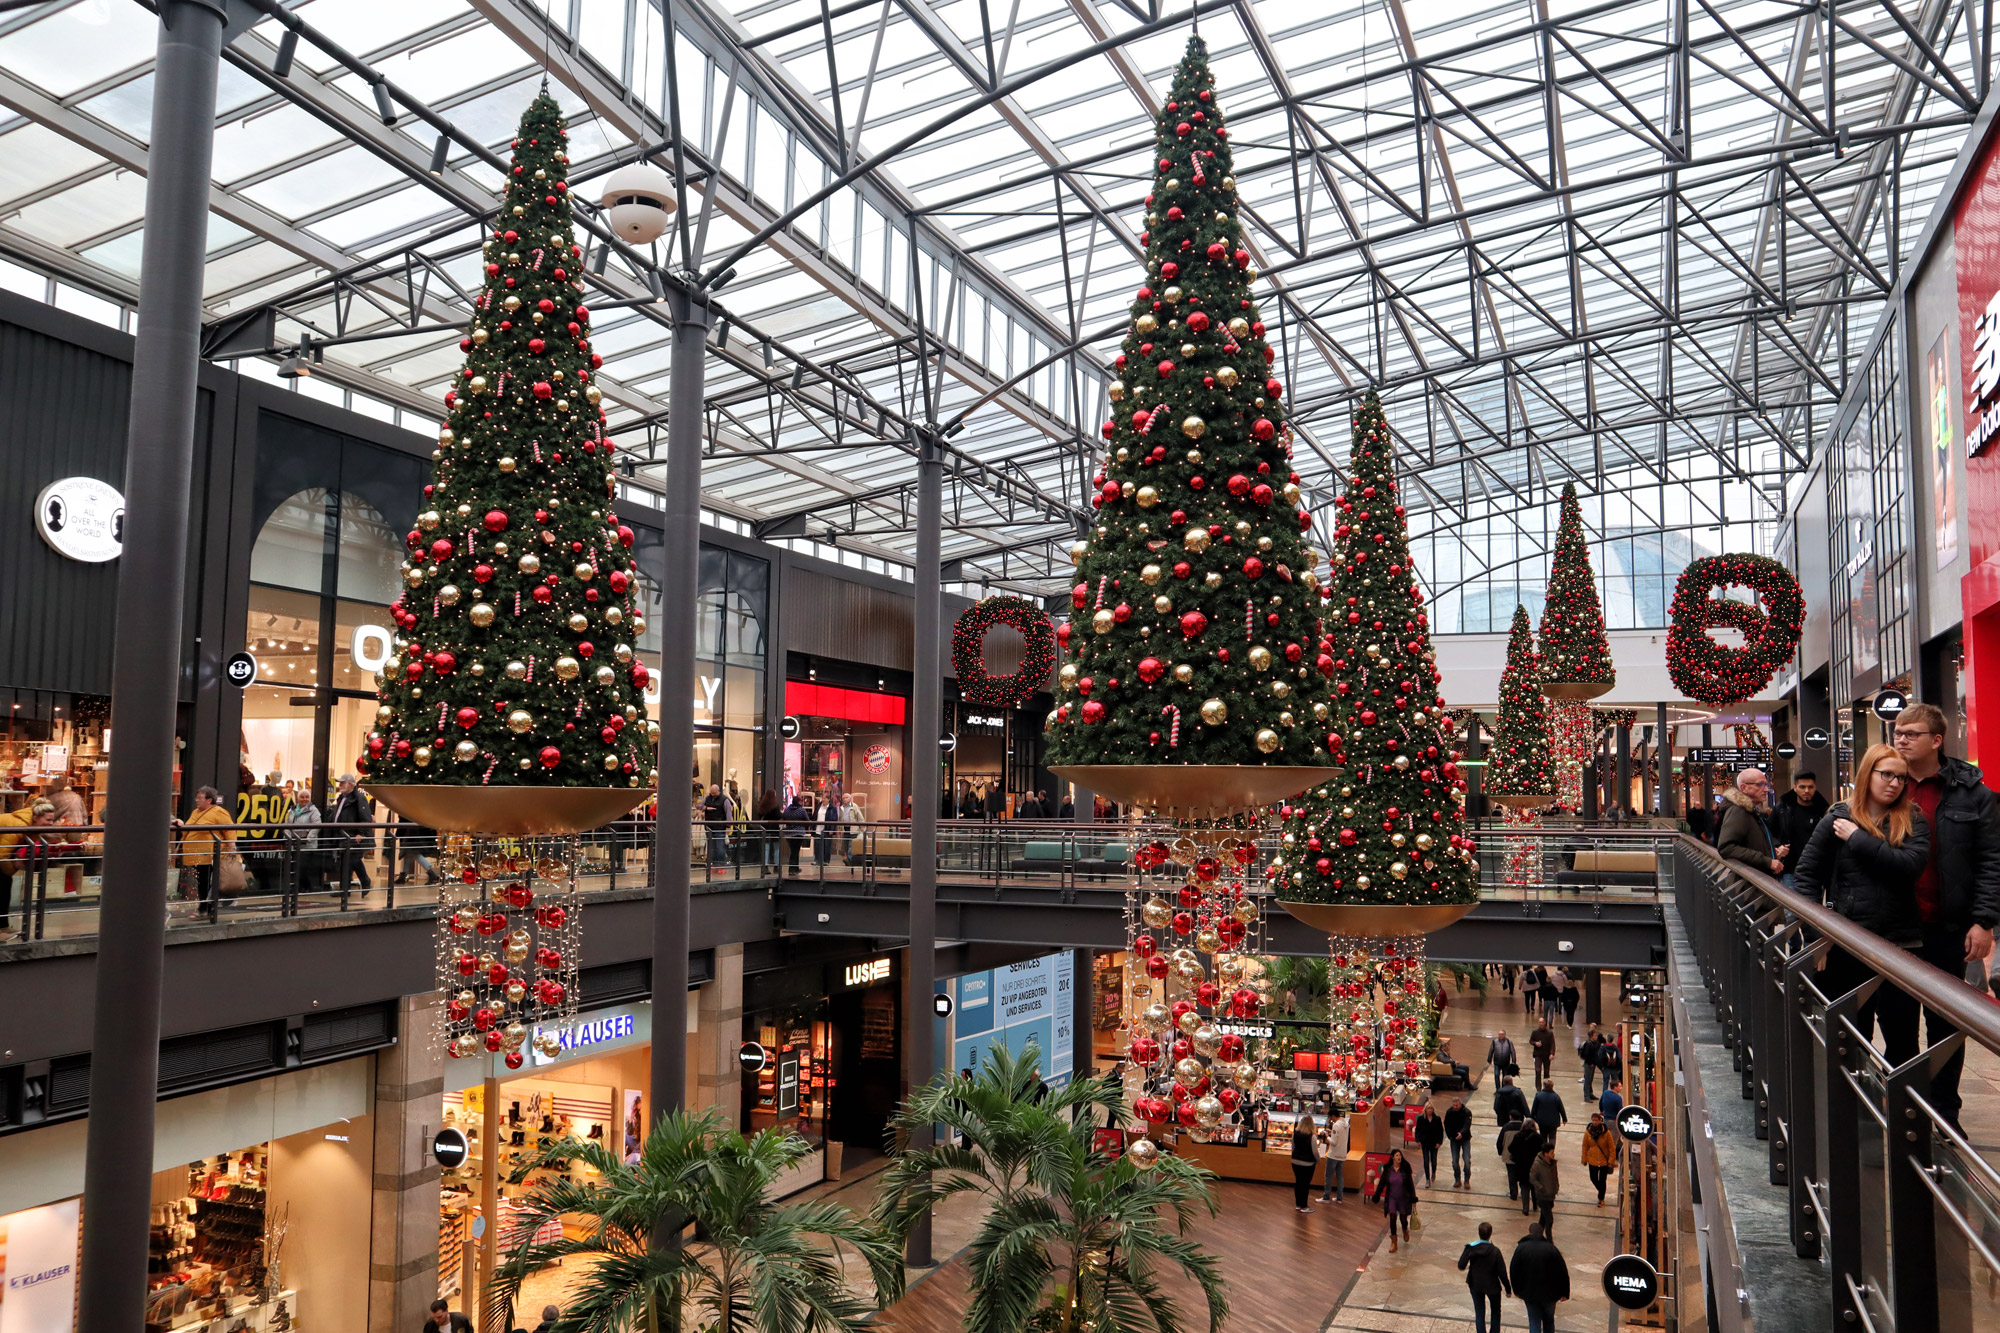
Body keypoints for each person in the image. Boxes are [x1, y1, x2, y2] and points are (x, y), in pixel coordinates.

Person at [1890, 703, 2000, 1133]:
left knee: (1946, 1023)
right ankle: (1906, 1105)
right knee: (1896, 1022)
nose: (1901, 739)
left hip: (1949, 927)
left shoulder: (1974, 794)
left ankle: (1945, 1112)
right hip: (1894, 928)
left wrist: (1984, 921)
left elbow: (1991, 861)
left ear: (1936, 740)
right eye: (1898, 731)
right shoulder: (1886, 784)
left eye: (1911, 733)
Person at [1795, 741, 1932, 1068]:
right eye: (1887, 775)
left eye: (1901, 778)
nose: (1895, 784)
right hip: (1849, 941)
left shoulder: (1912, 818)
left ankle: (1898, 1114)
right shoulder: (1837, 818)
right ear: (1866, 774)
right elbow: (1806, 877)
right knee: (1850, 1035)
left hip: (1901, 943)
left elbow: (1910, 867)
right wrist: (1816, 937)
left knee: (1902, 1039)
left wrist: (1859, 839)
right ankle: (1853, 1112)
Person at [174, 786, 235, 916]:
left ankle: (205, 909)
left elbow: (229, 829)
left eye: (200, 798)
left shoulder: (219, 812)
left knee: (206, 882)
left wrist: (231, 846)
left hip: (209, 855)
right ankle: (205, 908)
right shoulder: (196, 812)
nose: (196, 800)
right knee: (202, 881)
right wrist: (181, 824)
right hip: (197, 854)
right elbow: (190, 828)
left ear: (209, 800)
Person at [1717, 768, 1786, 877]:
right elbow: (1727, 847)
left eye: (1766, 785)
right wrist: (1767, 861)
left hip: (1757, 879)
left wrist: (1771, 850)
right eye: (1760, 785)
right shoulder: (1738, 810)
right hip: (1750, 882)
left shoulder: (1751, 811)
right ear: (1744, 788)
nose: (1766, 789)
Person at [1508, 1222, 1570, 1333]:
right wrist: (1565, 1292)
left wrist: (1516, 1290)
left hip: (1529, 1293)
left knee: (1534, 1321)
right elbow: (1562, 1272)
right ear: (1542, 1233)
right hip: (1550, 1294)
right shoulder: (1551, 1249)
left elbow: (1514, 1270)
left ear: (1529, 1232)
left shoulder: (1521, 1248)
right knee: (1549, 1321)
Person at [1775, 770, 1830, 888]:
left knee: (1813, 905)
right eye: (1802, 787)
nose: (1806, 791)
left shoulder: (1824, 811)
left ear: (1815, 787)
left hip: (1816, 869)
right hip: (1790, 868)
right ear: (1795, 788)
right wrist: (1778, 846)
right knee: (1790, 905)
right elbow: (1769, 831)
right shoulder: (1783, 809)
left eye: (1810, 787)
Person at [1458, 1220, 1512, 1333]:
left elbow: (1461, 1265)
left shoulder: (1471, 1248)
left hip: (1475, 1284)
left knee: (1479, 1311)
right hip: (1492, 1286)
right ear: (1490, 1234)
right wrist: (1508, 1289)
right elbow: (1502, 1272)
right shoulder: (1495, 1251)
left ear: (1479, 1233)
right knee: (1496, 1311)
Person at [328, 775, 375, 893]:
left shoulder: (358, 798)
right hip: (343, 834)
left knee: (353, 860)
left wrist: (361, 833)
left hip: (353, 835)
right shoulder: (341, 798)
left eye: (342, 783)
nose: (340, 785)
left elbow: (365, 817)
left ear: (350, 784)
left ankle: (364, 881)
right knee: (345, 862)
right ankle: (346, 888)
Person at [1371, 1146, 1418, 1251]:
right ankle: (1394, 1242)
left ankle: (1405, 1229)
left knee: (1403, 1218)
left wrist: (1413, 1198)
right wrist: (1377, 1195)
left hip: (1403, 1198)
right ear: (1392, 1157)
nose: (1399, 1157)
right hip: (1392, 1198)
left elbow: (1410, 1184)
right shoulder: (1388, 1170)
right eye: (1397, 1155)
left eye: (1400, 1155)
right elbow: (1382, 1183)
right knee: (1392, 1217)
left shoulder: (1405, 1169)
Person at [284, 790, 324, 897]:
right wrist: (288, 837)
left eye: (307, 797)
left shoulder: (314, 811)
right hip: (294, 843)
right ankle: (297, 888)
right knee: (295, 866)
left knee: (303, 867)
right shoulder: (291, 810)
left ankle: (306, 888)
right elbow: (287, 824)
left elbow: (317, 825)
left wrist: (308, 838)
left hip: (307, 844)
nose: (304, 799)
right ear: (297, 798)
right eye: (302, 797)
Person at [1506, 1116, 1544, 1214]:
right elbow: (1543, 1150)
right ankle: (1535, 1205)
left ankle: (1525, 1208)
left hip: (1521, 1166)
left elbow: (1511, 1148)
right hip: (1534, 1166)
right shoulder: (1538, 1137)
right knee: (1534, 1185)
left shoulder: (1518, 1136)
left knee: (1524, 1187)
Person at [1580, 1109, 1618, 1205]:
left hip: (1603, 1161)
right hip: (1592, 1160)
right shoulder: (1588, 1132)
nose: (1595, 1122)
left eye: (1596, 1120)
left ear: (1600, 1121)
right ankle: (1601, 1191)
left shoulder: (1606, 1133)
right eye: (1593, 1120)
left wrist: (1611, 1160)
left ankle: (1601, 1198)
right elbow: (1585, 1146)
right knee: (1593, 1178)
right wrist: (1584, 1158)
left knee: (1602, 1180)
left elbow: (1611, 1147)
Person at [1289, 1113, 1324, 1212]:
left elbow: (1293, 1148)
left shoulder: (1295, 1134)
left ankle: (1298, 1204)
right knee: (1305, 1184)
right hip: (1307, 1163)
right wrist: (1318, 1160)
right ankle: (1304, 1206)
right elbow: (1314, 1151)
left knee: (1298, 1182)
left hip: (1295, 1162)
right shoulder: (1312, 1136)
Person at [1497, 1111, 1531, 1201]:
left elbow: (1500, 1142)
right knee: (1522, 1174)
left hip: (1508, 1155)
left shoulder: (1506, 1127)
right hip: (1522, 1156)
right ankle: (1523, 1192)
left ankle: (1513, 1193)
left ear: (1510, 1117)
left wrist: (1501, 1152)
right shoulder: (1524, 1128)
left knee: (1511, 1174)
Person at [1528, 1143, 1560, 1237]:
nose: (1553, 1154)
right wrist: (1540, 1188)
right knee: (1549, 1220)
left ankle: (1536, 1237)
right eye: (1551, 1152)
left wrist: (1556, 1187)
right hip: (1542, 1196)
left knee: (1543, 1219)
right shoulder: (1537, 1164)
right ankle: (1549, 1242)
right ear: (1545, 1153)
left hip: (1551, 1195)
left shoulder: (1552, 1163)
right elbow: (1532, 1178)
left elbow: (1555, 1176)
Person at [1318, 1106, 1349, 1202]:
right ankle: (1340, 1197)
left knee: (1328, 1176)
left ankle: (1326, 1197)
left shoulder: (1336, 1125)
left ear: (1332, 1116)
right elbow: (1340, 1136)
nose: (1330, 1119)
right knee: (1339, 1176)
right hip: (1342, 1154)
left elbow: (1334, 1142)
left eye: (1330, 1117)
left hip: (1333, 1155)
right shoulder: (1345, 1124)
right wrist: (1331, 1132)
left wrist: (1327, 1136)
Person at [1444, 1096, 1474, 1188]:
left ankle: (1467, 1180)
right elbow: (1446, 1124)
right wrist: (1450, 1136)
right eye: (1454, 1105)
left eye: (1457, 1105)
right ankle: (1457, 1179)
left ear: (1460, 1104)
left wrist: (1462, 1133)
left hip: (1465, 1139)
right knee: (1454, 1161)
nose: (1455, 1107)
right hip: (1454, 1139)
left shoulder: (1467, 1112)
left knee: (1467, 1160)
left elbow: (1467, 1124)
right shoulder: (1449, 1112)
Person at [1413, 1103, 1445, 1185]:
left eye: (1431, 1108)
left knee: (1434, 1161)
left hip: (1434, 1143)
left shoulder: (1437, 1119)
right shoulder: (1421, 1119)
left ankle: (1433, 1172)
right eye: (1428, 1108)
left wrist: (1439, 1142)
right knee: (1426, 1161)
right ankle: (1427, 1178)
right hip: (1425, 1143)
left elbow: (1440, 1131)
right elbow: (1418, 1130)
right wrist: (1418, 1140)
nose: (1430, 1110)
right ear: (1425, 1109)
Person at [1530, 1080, 1567, 1146]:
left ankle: (1544, 1152)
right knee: (1552, 1137)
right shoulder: (1556, 1097)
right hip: (1553, 1121)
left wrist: (1532, 1117)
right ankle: (1551, 1151)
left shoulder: (1538, 1096)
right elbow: (1561, 1108)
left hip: (1542, 1121)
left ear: (1544, 1086)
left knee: (1543, 1136)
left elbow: (1534, 1108)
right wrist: (1564, 1119)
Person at [781, 792, 810, 876]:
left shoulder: (787, 810)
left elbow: (783, 818)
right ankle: (793, 869)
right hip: (799, 833)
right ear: (799, 802)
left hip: (789, 833)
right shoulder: (801, 810)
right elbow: (807, 820)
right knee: (795, 851)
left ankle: (794, 868)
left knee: (793, 850)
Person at [756, 788, 782, 872]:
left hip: (765, 829)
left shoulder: (761, 805)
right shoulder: (775, 806)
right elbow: (778, 816)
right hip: (774, 829)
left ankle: (765, 867)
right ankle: (776, 866)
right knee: (776, 848)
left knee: (766, 848)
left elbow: (759, 816)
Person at [814, 791, 840, 871]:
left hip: (827, 829)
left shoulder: (832, 808)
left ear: (829, 799)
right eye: (823, 798)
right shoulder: (818, 806)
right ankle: (817, 860)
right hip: (818, 829)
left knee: (826, 846)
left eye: (825, 798)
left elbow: (834, 819)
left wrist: (832, 829)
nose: (823, 799)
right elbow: (814, 816)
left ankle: (826, 860)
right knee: (817, 845)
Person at [1579, 1024, 1604, 1100]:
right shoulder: (1588, 1044)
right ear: (1591, 1036)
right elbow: (1587, 1055)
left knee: (1590, 1079)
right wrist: (1590, 1063)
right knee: (1587, 1079)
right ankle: (1586, 1096)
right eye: (1595, 1035)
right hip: (1589, 1064)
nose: (1596, 1037)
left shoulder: (1596, 1043)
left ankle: (1590, 1093)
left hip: (1593, 1063)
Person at [1528, 1016, 1554, 1086]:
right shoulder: (1535, 1032)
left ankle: (1546, 1087)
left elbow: (1552, 1044)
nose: (1541, 1024)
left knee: (1546, 1072)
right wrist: (1535, 1043)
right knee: (1538, 1070)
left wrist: (1552, 1053)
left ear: (1545, 1023)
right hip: (1538, 1055)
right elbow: (1530, 1041)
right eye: (1540, 1022)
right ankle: (1538, 1088)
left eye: (1542, 1022)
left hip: (1546, 1055)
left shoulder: (1549, 1033)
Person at [839, 789, 864, 864]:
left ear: (850, 799)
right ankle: (849, 859)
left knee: (851, 845)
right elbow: (840, 819)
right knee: (846, 845)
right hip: (845, 829)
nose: (845, 799)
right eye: (843, 798)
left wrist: (862, 827)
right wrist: (840, 829)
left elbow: (860, 817)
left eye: (846, 797)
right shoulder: (841, 808)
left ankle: (850, 859)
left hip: (853, 829)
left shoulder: (854, 806)